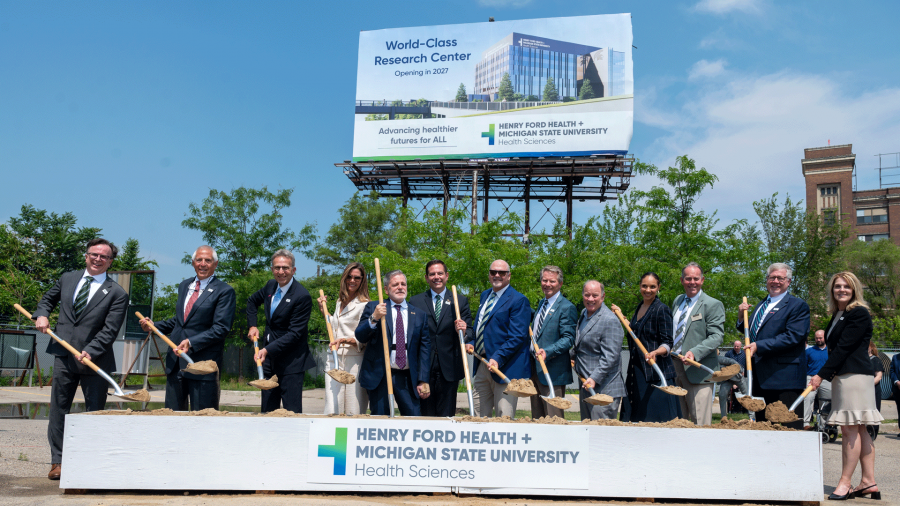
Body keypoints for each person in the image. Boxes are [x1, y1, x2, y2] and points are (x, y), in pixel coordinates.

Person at [32, 238, 128, 480]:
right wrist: (42, 315)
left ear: (110, 262)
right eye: (94, 254)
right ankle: (58, 462)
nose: (97, 259)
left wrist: (92, 350)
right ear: (86, 256)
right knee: (59, 410)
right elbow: (46, 301)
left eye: (103, 257)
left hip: (95, 361)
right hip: (63, 355)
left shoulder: (117, 293)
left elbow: (110, 329)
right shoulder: (68, 278)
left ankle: (89, 461)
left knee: (94, 413)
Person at [809, 271, 883, 500]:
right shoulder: (838, 314)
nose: (842, 290)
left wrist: (821, 374)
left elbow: (844, 348)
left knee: (849, 429)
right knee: (859, 429)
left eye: (847, 287)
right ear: (832, 290)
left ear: (854, 290)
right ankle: (869, 482)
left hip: (854, 377)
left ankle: (844, 483)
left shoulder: (858, 313)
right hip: (846, 376)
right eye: (837, 286)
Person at [140, 245, 236, 411]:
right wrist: (154, 326)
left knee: (203, 418)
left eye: (208, 260)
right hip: (175, 362)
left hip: (202, 363)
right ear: (193, 263)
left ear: (216, 264)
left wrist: (191, 342)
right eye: (199, 260)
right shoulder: (184, 285)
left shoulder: (224, 291)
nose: (203, 264)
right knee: (172, 418)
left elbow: (221, 328)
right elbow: (180, 322)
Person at [737, 263, 810, 430]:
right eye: (772, 277)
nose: (775, 281)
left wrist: (759, 346)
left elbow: (793, 336)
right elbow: (753, 332)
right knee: (763, 429)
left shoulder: (797, 306)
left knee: (787, 429)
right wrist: (741, 317)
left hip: (784, 380)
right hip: (760, 378)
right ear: (767, 280)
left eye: (780, 278)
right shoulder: (761, 305)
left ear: (789, 281)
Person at [246, 250, 315, 413]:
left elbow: (295, 334)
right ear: (272, 269)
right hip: (269, 360)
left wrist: (267, 350)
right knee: (268, 410)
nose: (281, 272)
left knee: (291, 411)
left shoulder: (302, 296)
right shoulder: (270, 286)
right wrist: (252, 325)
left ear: (293, 270)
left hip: (291, 362)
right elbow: (252, 302)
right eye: (277, 268)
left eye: (285, 268)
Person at [355, 270, 431, 416]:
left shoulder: (419, 315)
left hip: (408, 377)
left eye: (403, 284)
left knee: (414, 417)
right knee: (381, 420)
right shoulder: (374, 308)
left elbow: (424, 349)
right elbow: (360, 336)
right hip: (380, 375)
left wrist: (423, 379)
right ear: (386, 289)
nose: (400, 287)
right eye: (395, 284)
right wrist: (374, 318)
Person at [464, 259, 531, 418]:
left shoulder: (518, 300)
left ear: (509, 276)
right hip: (483, 364)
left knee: (504, 417)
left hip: (506, 367)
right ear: (489, 274)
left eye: (502, 272)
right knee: (477, 414)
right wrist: (472, 342)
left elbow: (517, 336)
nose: (497, 275)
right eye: (493, 272)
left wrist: (498, 358)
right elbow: (481, 326)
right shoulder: (485, 295)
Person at [610, 272, 679, 423]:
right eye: (644, 286)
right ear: (640, 287)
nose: (648, 290)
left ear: (658, 287)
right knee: (636, 419)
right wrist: (621, 316)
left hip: (655, 373)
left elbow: (668, 342)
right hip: (637, 371)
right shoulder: (640, 306)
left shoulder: (662, 309)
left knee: (654, 420)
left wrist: (656, 352)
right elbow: (635, 333)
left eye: (652, 287)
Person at [408, 260, 472, 417]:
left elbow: (469, 332)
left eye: (440, 273)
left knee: (446, 415)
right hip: (424, 368)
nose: (436, 277)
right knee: (425, 414)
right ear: (426, 277)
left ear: (447, 276)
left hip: (449, 367)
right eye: (432, 274)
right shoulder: (415, 302)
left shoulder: (459, 301)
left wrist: (463, 330)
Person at [671, 262, 724, 426]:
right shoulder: (678, 301)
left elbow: (717, 336)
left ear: (702, 280)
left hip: (698, 370)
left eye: (696, 278)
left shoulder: (712, 304)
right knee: (678, 421)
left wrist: (695, 352)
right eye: (688, 279)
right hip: (675, 367)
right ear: (681, 280)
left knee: (699, 423)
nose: (692, 282)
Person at [318, 262, 370, 415]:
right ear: (344, 278)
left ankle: (352, 437)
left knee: (353, 407)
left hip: (354, 358)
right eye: (349, 277)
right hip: (333, 357)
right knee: (333, 405)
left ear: (362, 280)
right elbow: (335, 325)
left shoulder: (365, 305)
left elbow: (365, 336)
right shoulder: (339, 302)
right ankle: (331, 437)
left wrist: (345, 340)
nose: (352, 280)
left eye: (357, 278)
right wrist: (324, 310)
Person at [572, 280, 627, 420]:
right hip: (586, 385)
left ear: (603, 296)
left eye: (595, 295)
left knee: (600, 436)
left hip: (605, 389)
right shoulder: (584, 313)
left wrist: (594, 378)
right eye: (587, 295)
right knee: (587, 433)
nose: (590, 299)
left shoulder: (610, 320)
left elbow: (610, 357)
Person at [529, 266, 577, 419]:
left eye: (552, 281)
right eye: (544, 280)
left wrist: (547, 351)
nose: (547, 284)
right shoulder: (542, 304)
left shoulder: (566, 307)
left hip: (553, 372)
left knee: (553, 419)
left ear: (560, 284)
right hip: (535, 370)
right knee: (537, 418)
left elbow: (568, 338)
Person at [803, 330, 831, 429]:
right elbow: (804, 366)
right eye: (816, 338)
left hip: (827, 379)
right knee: (808, 398)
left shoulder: (831, 351)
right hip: (811, 378)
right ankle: (805, 423)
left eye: (820, 338)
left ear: (825, 338)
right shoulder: (809, 351)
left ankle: (824, 425)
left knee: (826, 401)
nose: (818, 340)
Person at [717, 352, 746, 417]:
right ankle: (723, 417)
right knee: (722, 394)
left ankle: (752, 417)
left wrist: (741, 370)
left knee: (746, 394)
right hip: (726, 379)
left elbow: (732, 361)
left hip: (737, 377)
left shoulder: (718, 359)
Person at [868, 341, 884, 437]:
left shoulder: (876, 360)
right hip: (863, 390)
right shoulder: (862, 360)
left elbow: (878, 376)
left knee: (874, 410)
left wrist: (868, 385)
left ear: (872, 348)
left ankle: (873, 431)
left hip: (873, 389)